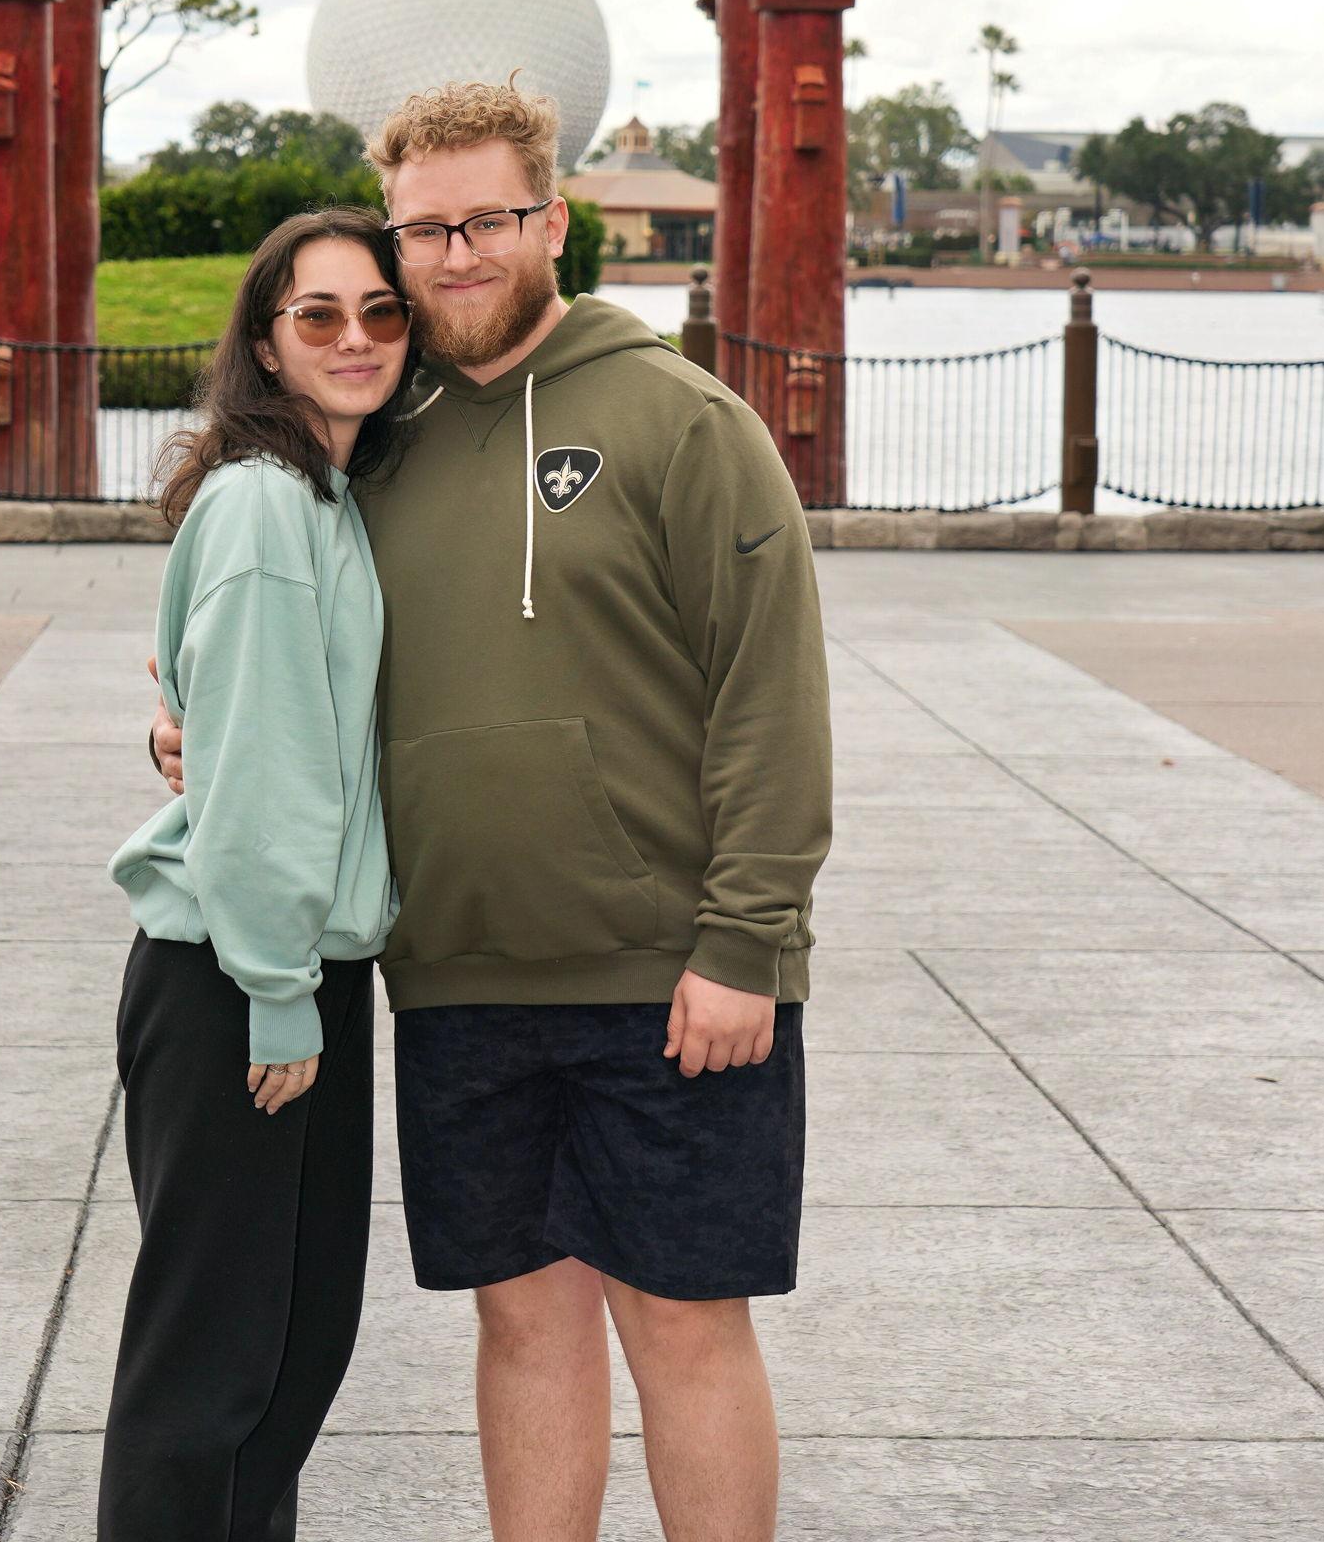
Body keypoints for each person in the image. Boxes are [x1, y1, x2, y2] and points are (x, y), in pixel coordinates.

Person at [152, 80, 833, 1542]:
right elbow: (284, 640)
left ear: (554, 221)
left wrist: (748, 942)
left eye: (489, 221)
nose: (456, 256)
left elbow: (771, 697)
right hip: (454, 980)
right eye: (426, 230)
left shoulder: (683, 420)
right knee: (522, 1325)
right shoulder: (377, 443)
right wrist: (188, 716)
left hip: (669, 980)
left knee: (685, 1330)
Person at [98, 207, 415, 1542]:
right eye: (318, 314)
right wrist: (280, 991)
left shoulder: (327, 499)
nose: (355, 338)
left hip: (289, 969)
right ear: (268, 345)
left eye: (381, 312)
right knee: (212, 1373)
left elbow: (235, 722)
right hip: (238, 980)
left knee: (285, 1363)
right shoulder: (267, 507)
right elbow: (268, 777)